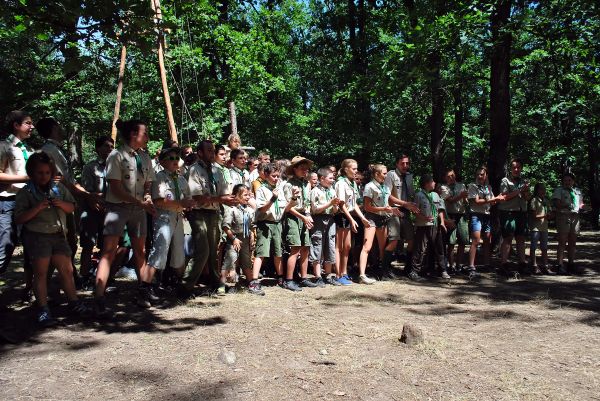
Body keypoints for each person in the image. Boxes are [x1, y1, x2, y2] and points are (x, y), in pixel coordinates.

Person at [14, 152, 90, 326]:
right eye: (40, 173)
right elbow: (19, 218)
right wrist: (38, 208)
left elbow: (71, 207)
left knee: (67, 270)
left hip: (58, 235)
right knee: (40, 273)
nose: (44, 176)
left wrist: (60, 204)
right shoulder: (26, 192)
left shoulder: (58, 189)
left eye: (47, 172)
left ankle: (74, 302)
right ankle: (43, 308)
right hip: (37, 237)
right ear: (32, 173)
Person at [94, 119, 156, 317]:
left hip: (139, 210)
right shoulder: (116, 156)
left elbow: (148, 182)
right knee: (108, 251)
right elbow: (115, 188)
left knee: (141, 250)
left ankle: (143, 290)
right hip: (117, 209)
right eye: (144, 133)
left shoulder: (145, 158)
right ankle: (98, 296)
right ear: (133, 135)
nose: (147, 137)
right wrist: (140, 203)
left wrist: (146, 195)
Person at [138, 147, 195, 307]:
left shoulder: (182, 179)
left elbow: (188, 197)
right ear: (162, 161)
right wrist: (181, 203)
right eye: (171, 158)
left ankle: (176, 284)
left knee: (179, 252)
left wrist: (189, 204)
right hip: (164, 217)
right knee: (160, 251)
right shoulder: (159, 178)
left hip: (178, 217)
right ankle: (145, 288)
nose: (175, 160)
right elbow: (158, 200)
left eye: (177, 157)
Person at [183, 140, 235, 296]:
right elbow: (198, 197)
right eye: (209, 151)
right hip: (198, 213)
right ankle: (185, 286)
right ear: (200, 153)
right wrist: (221, 199)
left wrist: (234, 198)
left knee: (213, 251)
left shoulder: (217, 171)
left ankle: (215, 282)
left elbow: (224, 193)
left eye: (213, 150)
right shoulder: (193, 171)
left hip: (214, 213)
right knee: (203, 250)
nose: (212, 153)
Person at [0, 111, 34, 279]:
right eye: (28, 123)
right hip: (9, 202)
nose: (32, 127)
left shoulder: (28, 149)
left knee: (32, 249)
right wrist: (26, 178)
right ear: (16, 125)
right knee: (5, 246)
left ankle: (30, 292)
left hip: (30, 203)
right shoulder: (3, 147)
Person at [250, 162, 292, 295]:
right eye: (273, 176)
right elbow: (262, 209)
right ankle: (254, 281)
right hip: (265, 224)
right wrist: (272, 199)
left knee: (278, 252)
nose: (276, 178)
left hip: (277, 224)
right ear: (266, 175)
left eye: (278, 176)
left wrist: (294, 198)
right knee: (261, 252)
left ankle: (280, 278)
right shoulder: (262, 190)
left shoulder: (279, 188)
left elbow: (285, 208)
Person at [79, 136, 114, 286]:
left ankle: (103, 277)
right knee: (88, 245)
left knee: (107, 246)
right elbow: (86, 191)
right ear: (98, 148)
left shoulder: (115, 166)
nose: (109, 149)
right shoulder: (90, 167)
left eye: (111, 146)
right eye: (106, 146)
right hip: (92, 210)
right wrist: (94, 200)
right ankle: (85, 276)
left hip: (111, 211)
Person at [360, 164, 401, 283]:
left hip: (382, 219)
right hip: (372, 218)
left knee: (383, 248)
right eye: (384, 173)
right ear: (376, 174)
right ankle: (362, 275)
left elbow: (387, 204)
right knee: (367, 247)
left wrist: (393, 209)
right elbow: (367, 207)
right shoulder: (369, 186)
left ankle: (383, 272)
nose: (386, 175)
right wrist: (384, 208)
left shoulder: (385, 187)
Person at [334, 159, 370, 285]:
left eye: (356, 169)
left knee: (348, 247)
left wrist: (362, 218)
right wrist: (351, 219)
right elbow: (342, 205)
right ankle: (338, 274)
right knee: (339, 247)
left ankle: (344, 272)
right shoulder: (340, 183)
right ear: (346, 169)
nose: (356, 172)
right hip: (341, 216)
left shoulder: (353, 183)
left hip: (349, 217)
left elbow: (353, 204)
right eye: (353, 169)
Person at [282, 156, 315, 291]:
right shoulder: (288, 185)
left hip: (304, 217)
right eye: (302, 169)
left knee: (306, 248)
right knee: (295, 249)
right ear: (294, 169)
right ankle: (289, 280)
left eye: (307, 169)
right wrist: (303, 217)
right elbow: (287, 207)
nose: (305, 171)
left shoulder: (306, 184)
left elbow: (306, 203)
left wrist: (307, 215)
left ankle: (304, 277)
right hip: (293, 217)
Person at [383, 155, 419, 276]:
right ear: (397, 164)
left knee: (411, 240)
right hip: (394, 211)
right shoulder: (390, 175)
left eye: (407, 163)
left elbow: (411, 194)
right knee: (394, 240)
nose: (405, 166)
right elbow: (386, 195)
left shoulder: (409, 176)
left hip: (406, 211)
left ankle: (408, 269)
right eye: (402, 163)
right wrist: (404, 203)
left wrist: (414, 205)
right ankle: (385, 269)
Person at [467, 166, 505, 278]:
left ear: (486, 175)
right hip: (476, 215)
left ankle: (486, 264)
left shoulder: (488, 187)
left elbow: (492, 202)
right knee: (476, 240)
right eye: (478, 174)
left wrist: (498, 199)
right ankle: (471, 266)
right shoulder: (472, 186)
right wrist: (493, 199)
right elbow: (477, 201)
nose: (480, 176)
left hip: (487, 216)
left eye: (482, 174)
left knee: (487, 240)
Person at [410, 175, 449, 281]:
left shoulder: (436, 195)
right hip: (422, 226)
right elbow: (415, 211)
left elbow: (439, 209)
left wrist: (442, 222)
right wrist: (424, 218)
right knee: (420, 249)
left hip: (435, 225)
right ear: (427, 183)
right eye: (432, 181)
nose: (434, 183)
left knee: (439, 247)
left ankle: (443, 270)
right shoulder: (419, 195)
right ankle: (414, 271)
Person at [498, 158, 531, 274]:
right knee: (508, 237)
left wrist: (526, 191)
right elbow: (504, 197)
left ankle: (522, 263)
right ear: (510, 169)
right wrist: (519, 190)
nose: (516, 169)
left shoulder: (524, 181)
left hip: (522, 212)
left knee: (521, 238)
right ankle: (504, 264)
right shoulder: (505, 181)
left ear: (521, 168)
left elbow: (527, 198)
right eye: (514, 167)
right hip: (508, 212)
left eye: (518, 167)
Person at [221, 184, 255, 295]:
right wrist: (234, 239)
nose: (248, 197)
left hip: (245, 239)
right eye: (245, 195)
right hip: (234, 239)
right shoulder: (232, 209)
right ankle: (221, 285)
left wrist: (252, 237)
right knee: (230, 260)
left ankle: (251, 282)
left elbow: (251, 225)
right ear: (236, 196)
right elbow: (226, 226)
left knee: (246, 261)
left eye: (249, 195)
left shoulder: (248, 210)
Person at [309, 167, 341, 286]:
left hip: (330, 219)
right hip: (318, 219)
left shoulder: (331, 190)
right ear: (322, 178)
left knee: (330, 245)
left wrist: (336, 206)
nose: (333, 180)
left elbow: (334, 209)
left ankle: (328, 275)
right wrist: (330, 203)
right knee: (317, 245)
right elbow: (315, 209)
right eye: (331, 178)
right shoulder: (315, 191)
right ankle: (317, 276)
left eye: (333, 178)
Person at [552, 173, 585, 274]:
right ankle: (559, 265)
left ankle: (571, 264)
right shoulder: (559, 190)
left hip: (575, 218)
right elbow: (556, 203)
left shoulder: (577, 191)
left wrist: (584, 207)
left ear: (573, 181)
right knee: (562, 241)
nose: (567, 182)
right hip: (563, 216)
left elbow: (580, 204)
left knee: (573, 241)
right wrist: (565, 205)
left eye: (569, 180)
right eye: (565, 180)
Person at [440, 169, 469, 273]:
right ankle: (451, 266)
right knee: (451, 242)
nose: (451, 178)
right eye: (448, 176)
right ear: (445, 178)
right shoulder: (443, 187)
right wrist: (461, 196)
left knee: (463, 241)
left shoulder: (461, 186)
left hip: (461, 215)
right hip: (450, 215)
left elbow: (465, 200)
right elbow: (450, 200)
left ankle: (459, 265)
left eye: (452, 175)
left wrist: (465, 200)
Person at [529, 183, 552, 274]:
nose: (543, 191)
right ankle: (534, 265)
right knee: (533, 247)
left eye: (544, 189)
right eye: (541, 189)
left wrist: (551, 215)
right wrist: (545, 216)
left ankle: (545, 266)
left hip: (544, 228)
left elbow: (549, 214)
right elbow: (534, 216)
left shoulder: (546, 201)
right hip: (535, 228)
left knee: (544, 247)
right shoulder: (534, 200)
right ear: (536, 190)